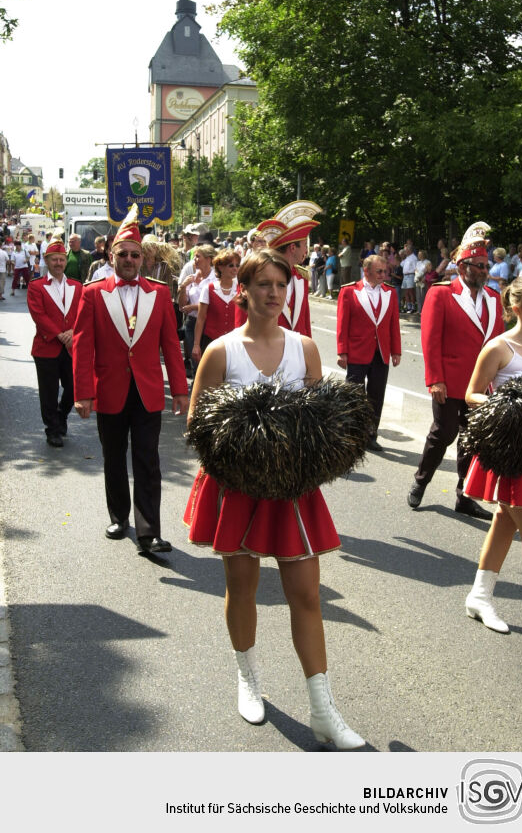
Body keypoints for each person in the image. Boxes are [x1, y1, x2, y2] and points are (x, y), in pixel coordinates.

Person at [184, 249, 365, 749]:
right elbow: (196, 425)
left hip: (291, 493)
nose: (272, 293)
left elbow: (324, 424)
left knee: (306, 596)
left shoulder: (305, 348)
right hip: (237, 489)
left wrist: (302, 451)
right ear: (242, 290)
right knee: (241, 589)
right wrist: (247, 441)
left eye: (280, 286)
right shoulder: (221, 351)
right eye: (262, 284)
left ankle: (323, 711)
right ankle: (248, 678)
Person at [72, 205, 189, 555]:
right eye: (122, 254)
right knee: (113, 457)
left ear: (143, 258)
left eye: (135, 254)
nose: (129, 259)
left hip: (148, 390)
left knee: (148, 459)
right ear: (112, 256)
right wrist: (83, 394)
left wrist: (181, 390)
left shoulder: (158, 293)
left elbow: (171, 345)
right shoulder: (92, 293)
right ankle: (119, 516)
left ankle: (149, 531)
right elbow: (83, 347)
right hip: (109, 390)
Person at [407, 225, 505, 517]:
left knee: (473, 439)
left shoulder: (493, 298)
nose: (485, 270)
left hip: (481, 386)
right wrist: (434, 379)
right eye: (480, 266)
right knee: (444, 433)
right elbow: (430, 340)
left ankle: (465, 495)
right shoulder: (441, 294)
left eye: (487, 266)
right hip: (448, 382)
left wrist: (499, 382)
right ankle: (420, 482)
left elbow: (498, 343)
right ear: (463, 267)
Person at [462, 276, 522, 632]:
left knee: (505, 522)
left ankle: (479, 597)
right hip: (512, 454)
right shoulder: (498, 347)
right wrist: (508, 404)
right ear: (517, 308)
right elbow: (472, 394)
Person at [336, 254, 401, 451]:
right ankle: (352, 433)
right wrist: (342, 352)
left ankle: (371, 434)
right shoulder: (349, 291)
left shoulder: (390, 292)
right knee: (354, 394)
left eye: (385, 271)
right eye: (379, 271)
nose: (384, 275)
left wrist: (396, 351)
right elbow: (342, 323)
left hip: (381, 351)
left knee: (377, 395)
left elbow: (393, 324)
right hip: (357, 350)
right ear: (367, 271)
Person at [26, 241, 82, 447]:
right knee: (48, 391)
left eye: (61, 259)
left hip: (71, 346)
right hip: (46, 347)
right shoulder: (36, 286)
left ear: (66, 261)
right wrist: (59, 334)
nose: (58, 263)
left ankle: (61, 414)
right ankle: (52, 430)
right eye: (54, 260)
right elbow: (38, 315)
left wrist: (73, 331)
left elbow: (83, 314)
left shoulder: (77, 286)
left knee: (74, 388)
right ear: (47, 261)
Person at [252, 199, 322, 336]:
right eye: (304, 246)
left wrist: (307, 351)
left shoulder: (302, 277)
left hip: (296, 351)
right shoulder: (257, 275)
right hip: (266, 350)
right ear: (292, 248)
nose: (306, 251)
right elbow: (244, 319)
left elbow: (305, 321)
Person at [191, 248, 240, 363]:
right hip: (211, 342)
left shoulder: (242, 289)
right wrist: (196, 345)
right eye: (231, 265)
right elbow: (201, 318)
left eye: (237, 265)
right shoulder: (209, 288)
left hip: (235, 344)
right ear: (220, 267)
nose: (235, 269)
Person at [177, 244, 216, 376]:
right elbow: (182, 304)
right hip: (192, 322)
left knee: (209, 361)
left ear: (209, 259)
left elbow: (215, 304)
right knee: (196, 361)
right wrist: (183, 287)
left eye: (198, 257)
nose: (195, 260)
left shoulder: (216, 279)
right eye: (194, 257)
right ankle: (196, 391)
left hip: (209, 323)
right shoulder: (192, 278)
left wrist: (193, 307)